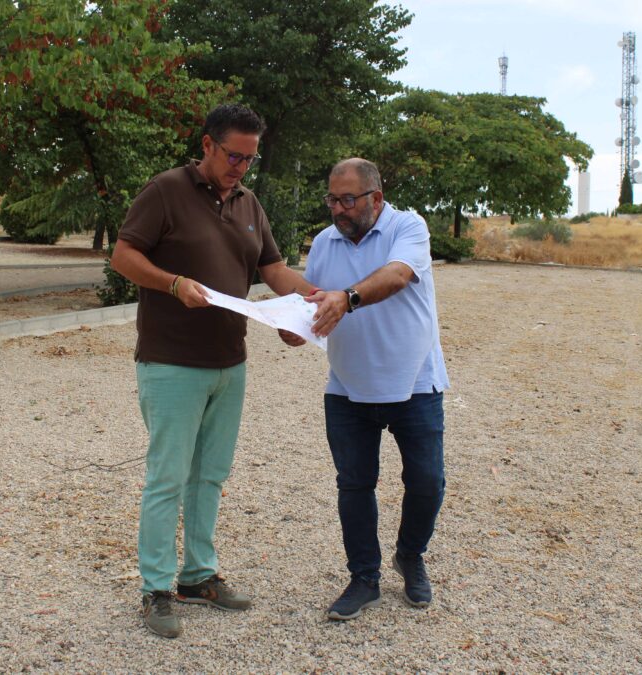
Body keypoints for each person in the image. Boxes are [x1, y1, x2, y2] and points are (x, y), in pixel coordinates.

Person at [110, 104, 314, 639]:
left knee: (210, 476)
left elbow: (272, 269)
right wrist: (173, 283)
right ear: (207, 145)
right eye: (232, 156)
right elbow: (123, 256)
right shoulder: (165, 190)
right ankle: (156, 588)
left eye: (249, 159)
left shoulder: (249, 203)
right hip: (172, 363)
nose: (240, 168)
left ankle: (198, 576)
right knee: (168, 477)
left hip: (230, 363)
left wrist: (311, 304)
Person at [289, 157, 450, 621]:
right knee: (354, 485)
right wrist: (296, 327)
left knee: (427, 481)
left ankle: (410, 555)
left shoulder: (408, 227)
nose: (338, 209)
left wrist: (348, 297)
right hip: (347, 387)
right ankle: (364, 578)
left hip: (415, 382)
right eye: (332, 200)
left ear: (376, 198)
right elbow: (317, 304)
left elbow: (397, 275)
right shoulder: (325, 242)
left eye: (348, 200)